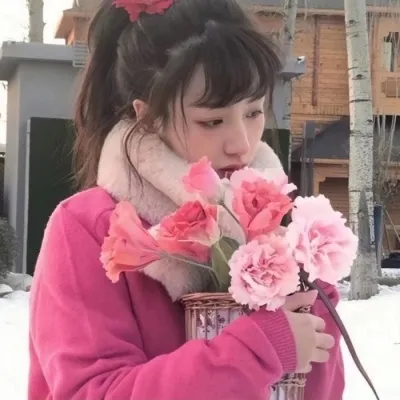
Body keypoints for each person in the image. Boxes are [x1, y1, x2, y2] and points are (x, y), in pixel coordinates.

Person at [28, 0, 344, 399]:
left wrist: (312, 293)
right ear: (148, 117)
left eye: (254, 112)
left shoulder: (279, 226)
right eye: (212, 121)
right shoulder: (88, 228)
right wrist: (257, 350)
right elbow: (91, 392)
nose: (241, 144)